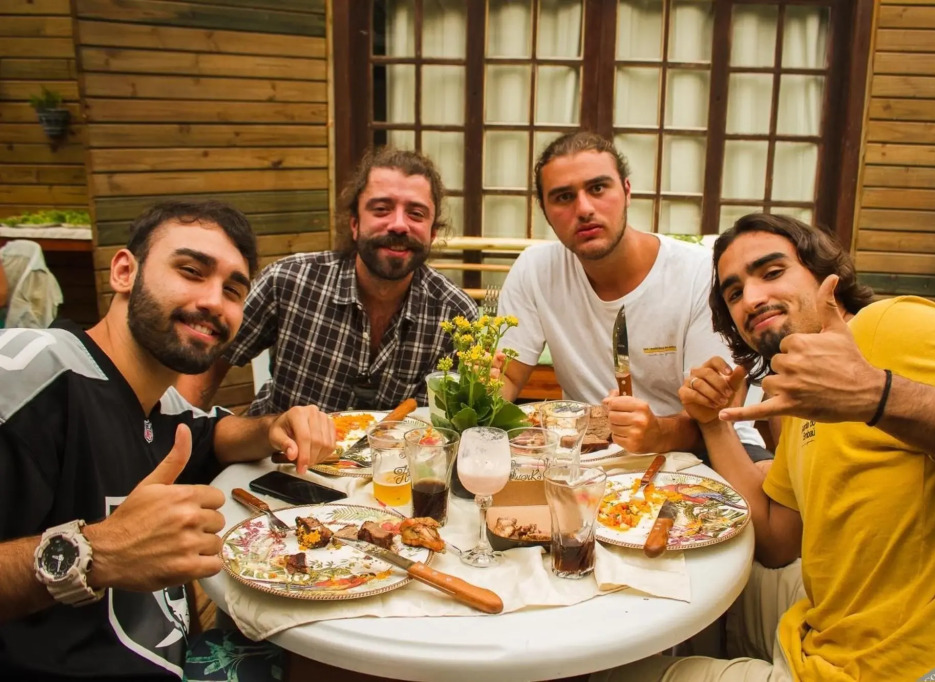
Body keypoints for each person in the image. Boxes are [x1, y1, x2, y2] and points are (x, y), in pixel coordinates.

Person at [596, 213, 935, 681]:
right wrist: (712, 424)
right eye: (734, 293)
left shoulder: (890, 326)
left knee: (611, 674)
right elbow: (777, 542)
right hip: (830, 624)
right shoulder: (800, 398)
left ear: (825, 276)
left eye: (772, 271)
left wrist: (877, 395)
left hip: (907, 667)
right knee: (694, 591)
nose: (751, 299)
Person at [0, 201, 335, 680]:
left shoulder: (161, 403)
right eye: (191, 271)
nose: (214, 302)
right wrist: (97, 553)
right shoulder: (26, 373)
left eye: (233, 290)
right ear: (124, 272)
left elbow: (212, 435)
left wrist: (271, 427)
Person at [497, 131, 766, 461]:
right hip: (586, 457)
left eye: (598, 188)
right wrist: (474, 399)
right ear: (545, 210)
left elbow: (719, 413)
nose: (584, 208)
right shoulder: (535, 270)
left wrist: (657, 433)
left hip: (706, 451)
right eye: (563, 197)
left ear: (626, 191)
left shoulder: (698, 273)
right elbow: (507, 377)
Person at [178, 147, 478, 415]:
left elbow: (449, 424)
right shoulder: (289, 281)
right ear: (355, 224)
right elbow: (208, 362)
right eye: (382, 209)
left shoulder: (455, 315)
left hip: (396, 461)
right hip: (277, 454)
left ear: (432, 233)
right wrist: (181, 433)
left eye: (416, 213)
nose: (399, 225)